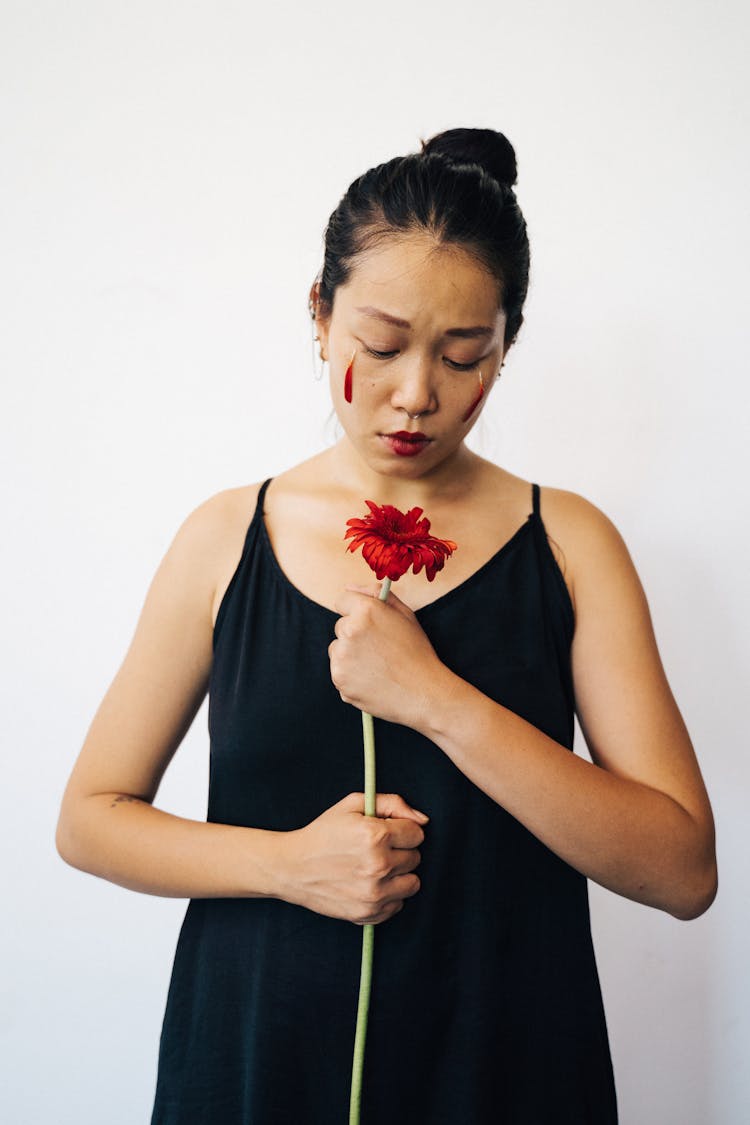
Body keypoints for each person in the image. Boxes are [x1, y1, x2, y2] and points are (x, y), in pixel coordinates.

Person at [56, 127, 717, 1124]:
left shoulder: (571, 542)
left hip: (505, 1065)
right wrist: (287, 866)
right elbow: (90, 819)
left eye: (464, 357)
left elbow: (681, 870)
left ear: (506, 348)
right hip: (255, 1063)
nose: (417, 396)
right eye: (382, 345)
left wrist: (438, 702)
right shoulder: (226, 536)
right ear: (320, 317)